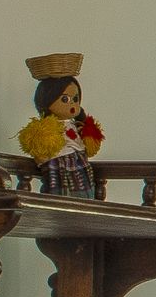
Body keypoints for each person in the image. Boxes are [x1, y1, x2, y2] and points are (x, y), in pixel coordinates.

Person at [17, 50, 103, 196]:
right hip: (58, 165)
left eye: (75, 99)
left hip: (80, 164)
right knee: (61, 194)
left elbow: (91, 145)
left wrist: (88, 127)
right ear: (47, 99)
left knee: (85, 194)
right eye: (65, 99)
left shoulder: (77, 126)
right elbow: (37, 146)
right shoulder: (46, 128)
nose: (73, 104)